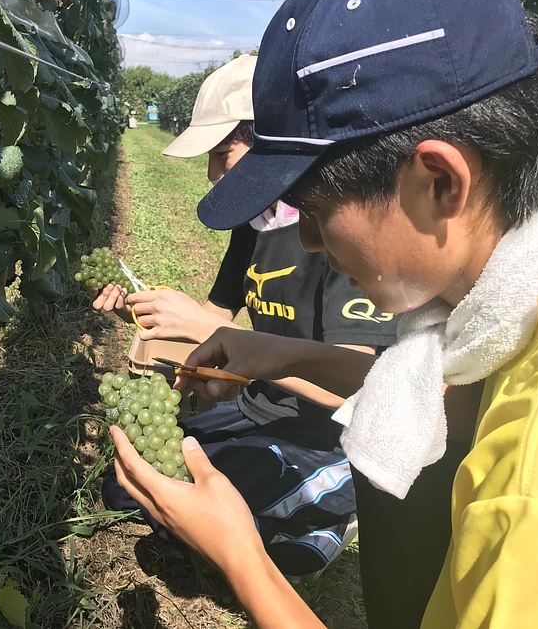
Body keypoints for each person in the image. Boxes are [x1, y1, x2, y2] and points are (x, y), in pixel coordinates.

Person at [111, 0, 538, 627]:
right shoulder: (498, 316)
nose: (309, 240)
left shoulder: (531, 492)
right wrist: (278, 355)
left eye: (316, 213)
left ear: (439, 182)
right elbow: (444, 403)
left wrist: (243, 558)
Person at [97, 55, 399, 576]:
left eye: (222, 152)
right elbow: (213, 325)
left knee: (213, 520)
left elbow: (364, 389)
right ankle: (284, 503)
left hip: (328, 433)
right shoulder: (254, 224)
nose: (213, 173)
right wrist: (142, 312)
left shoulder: (340, 235)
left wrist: (216, 332)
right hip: (260, 408)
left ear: (271, 141)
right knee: (128, 487)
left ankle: (333, 501)